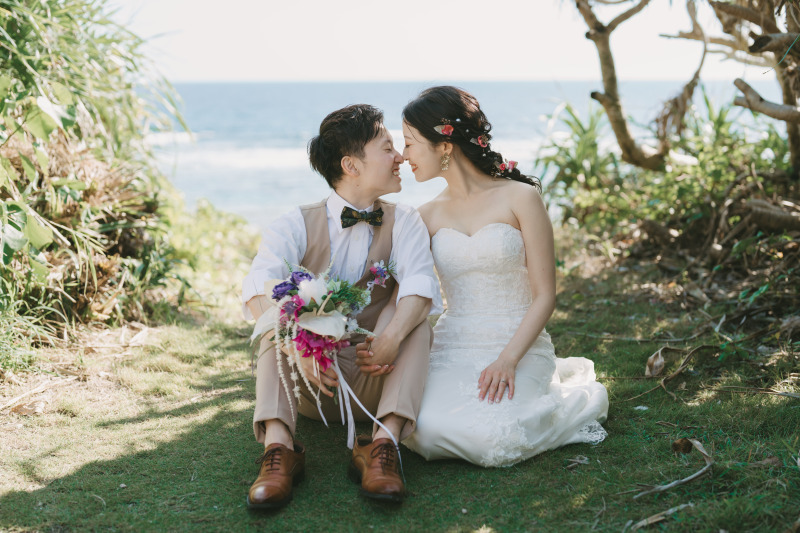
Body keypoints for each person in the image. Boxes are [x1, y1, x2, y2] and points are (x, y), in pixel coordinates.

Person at [394, 86, 609, 467]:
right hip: (452, 343)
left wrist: (507, 360)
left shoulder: (521, 197)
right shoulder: (423, 216)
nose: (403, 155)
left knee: (492, 439)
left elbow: (545, 296)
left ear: (444, 144)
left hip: (517, 341)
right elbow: (407, 290)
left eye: (410, 143)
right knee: (422, 427)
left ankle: (560, 395)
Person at [241, 104, 441, 507]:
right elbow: (255, 284)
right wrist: (298, 347)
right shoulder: (294, 222)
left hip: (376, 376)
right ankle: (279, 451)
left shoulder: (405, 221)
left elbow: (420, 285)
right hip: (309, 386)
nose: (400, 156)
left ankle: (382, 448)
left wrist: (391, 338)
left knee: (418, 321)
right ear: (351, 164)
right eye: (388, 148)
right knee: (271, 318)